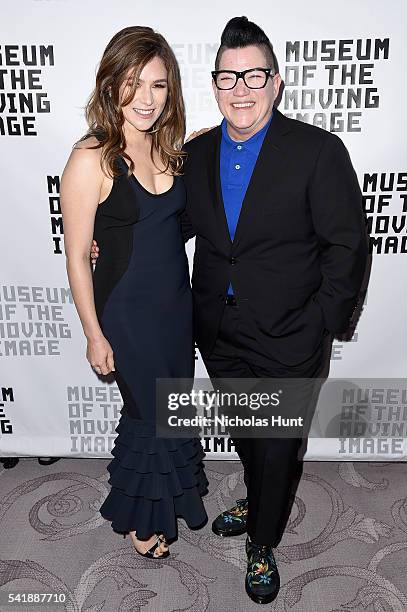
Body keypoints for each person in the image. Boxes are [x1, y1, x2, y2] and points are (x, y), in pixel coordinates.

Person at [92, 16, 369, 604]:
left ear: (275, 82)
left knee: (278, 443)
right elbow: (168, 223)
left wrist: (323, 323)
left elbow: (348, 246)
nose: (240, 89)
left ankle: (263, 541)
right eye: (227, 77)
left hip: (292, 334)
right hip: (219, 332)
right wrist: (105, 240)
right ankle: (260, 496)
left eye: (253, 76)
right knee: (249, 433)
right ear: (215, 85)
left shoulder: (318, 151)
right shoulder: (196, 154)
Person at [61, 25, 208, 560]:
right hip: (125, 311)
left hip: (175, 305)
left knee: (170, 407)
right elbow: (77, 255)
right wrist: (94, 336)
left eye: (159, 85)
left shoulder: (168, 149)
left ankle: (170, 494)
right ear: (110, 85)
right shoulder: (91, 158)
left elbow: (168, 226)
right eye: (133, 83)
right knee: (149, 413)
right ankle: (140, 518)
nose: (146, 99)